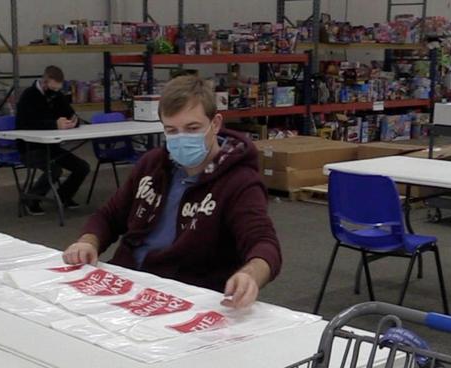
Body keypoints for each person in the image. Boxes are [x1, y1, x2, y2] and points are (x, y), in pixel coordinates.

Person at [61, 75, 281, 309]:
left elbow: (263, 243)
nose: (181, 138)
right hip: (127, 281)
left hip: (184, 295)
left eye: (192, 128)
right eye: (171, 130)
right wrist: (88, 242)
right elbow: (109, 215)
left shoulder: (239, 181)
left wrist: (250, 275)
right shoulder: (153, 164)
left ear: (215, 124)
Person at [15, 65, 91, 214]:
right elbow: (25, 124)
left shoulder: (57, 95)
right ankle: (32, 199)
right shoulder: (28, 96)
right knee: (54, 170)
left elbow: (69, 113)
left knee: (82, 167)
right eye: (54, 89)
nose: (56, 93)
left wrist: (73, 121)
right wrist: (53, 124)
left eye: (58, 89)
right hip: (30, 148)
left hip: (52, 147)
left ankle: (63, 196)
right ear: (45, 83)